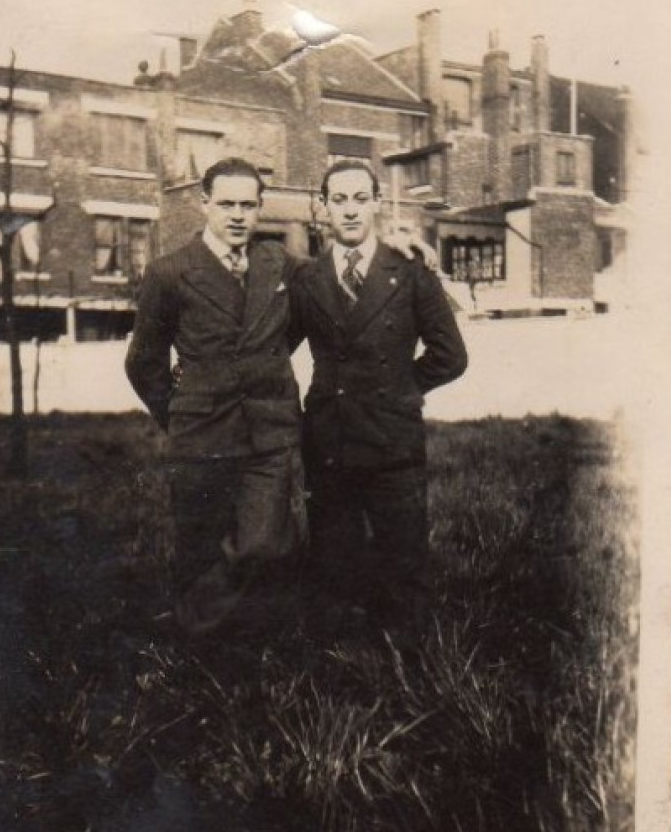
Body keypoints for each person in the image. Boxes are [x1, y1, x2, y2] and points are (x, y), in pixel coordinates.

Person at [125, 157, 306, 646]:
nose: (238, 215)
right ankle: (204, 649)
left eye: (248, 205)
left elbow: (322, 292)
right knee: (201, 547)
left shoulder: (279, 263)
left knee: (263, 542)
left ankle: (221, 631)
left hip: (268, 433)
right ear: (204, 204)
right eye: (226, 204)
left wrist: (400, 245)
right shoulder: (170, 272)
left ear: (260, 208)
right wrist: (181, 412)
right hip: (201, 434)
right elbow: (143, 362)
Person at [290, 159, 468, 643]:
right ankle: (338, 674)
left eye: (360, 199)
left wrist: (399, 390)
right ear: (322, 207)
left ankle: (410, 667)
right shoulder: (305, 278)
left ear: (378, 205)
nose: (349, 211)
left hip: (394, 444)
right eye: (339, 200)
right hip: (329, 442)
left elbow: (451, 355)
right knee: (332, 559)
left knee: (403, 559)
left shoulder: (407, 271)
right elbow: (274, 347)